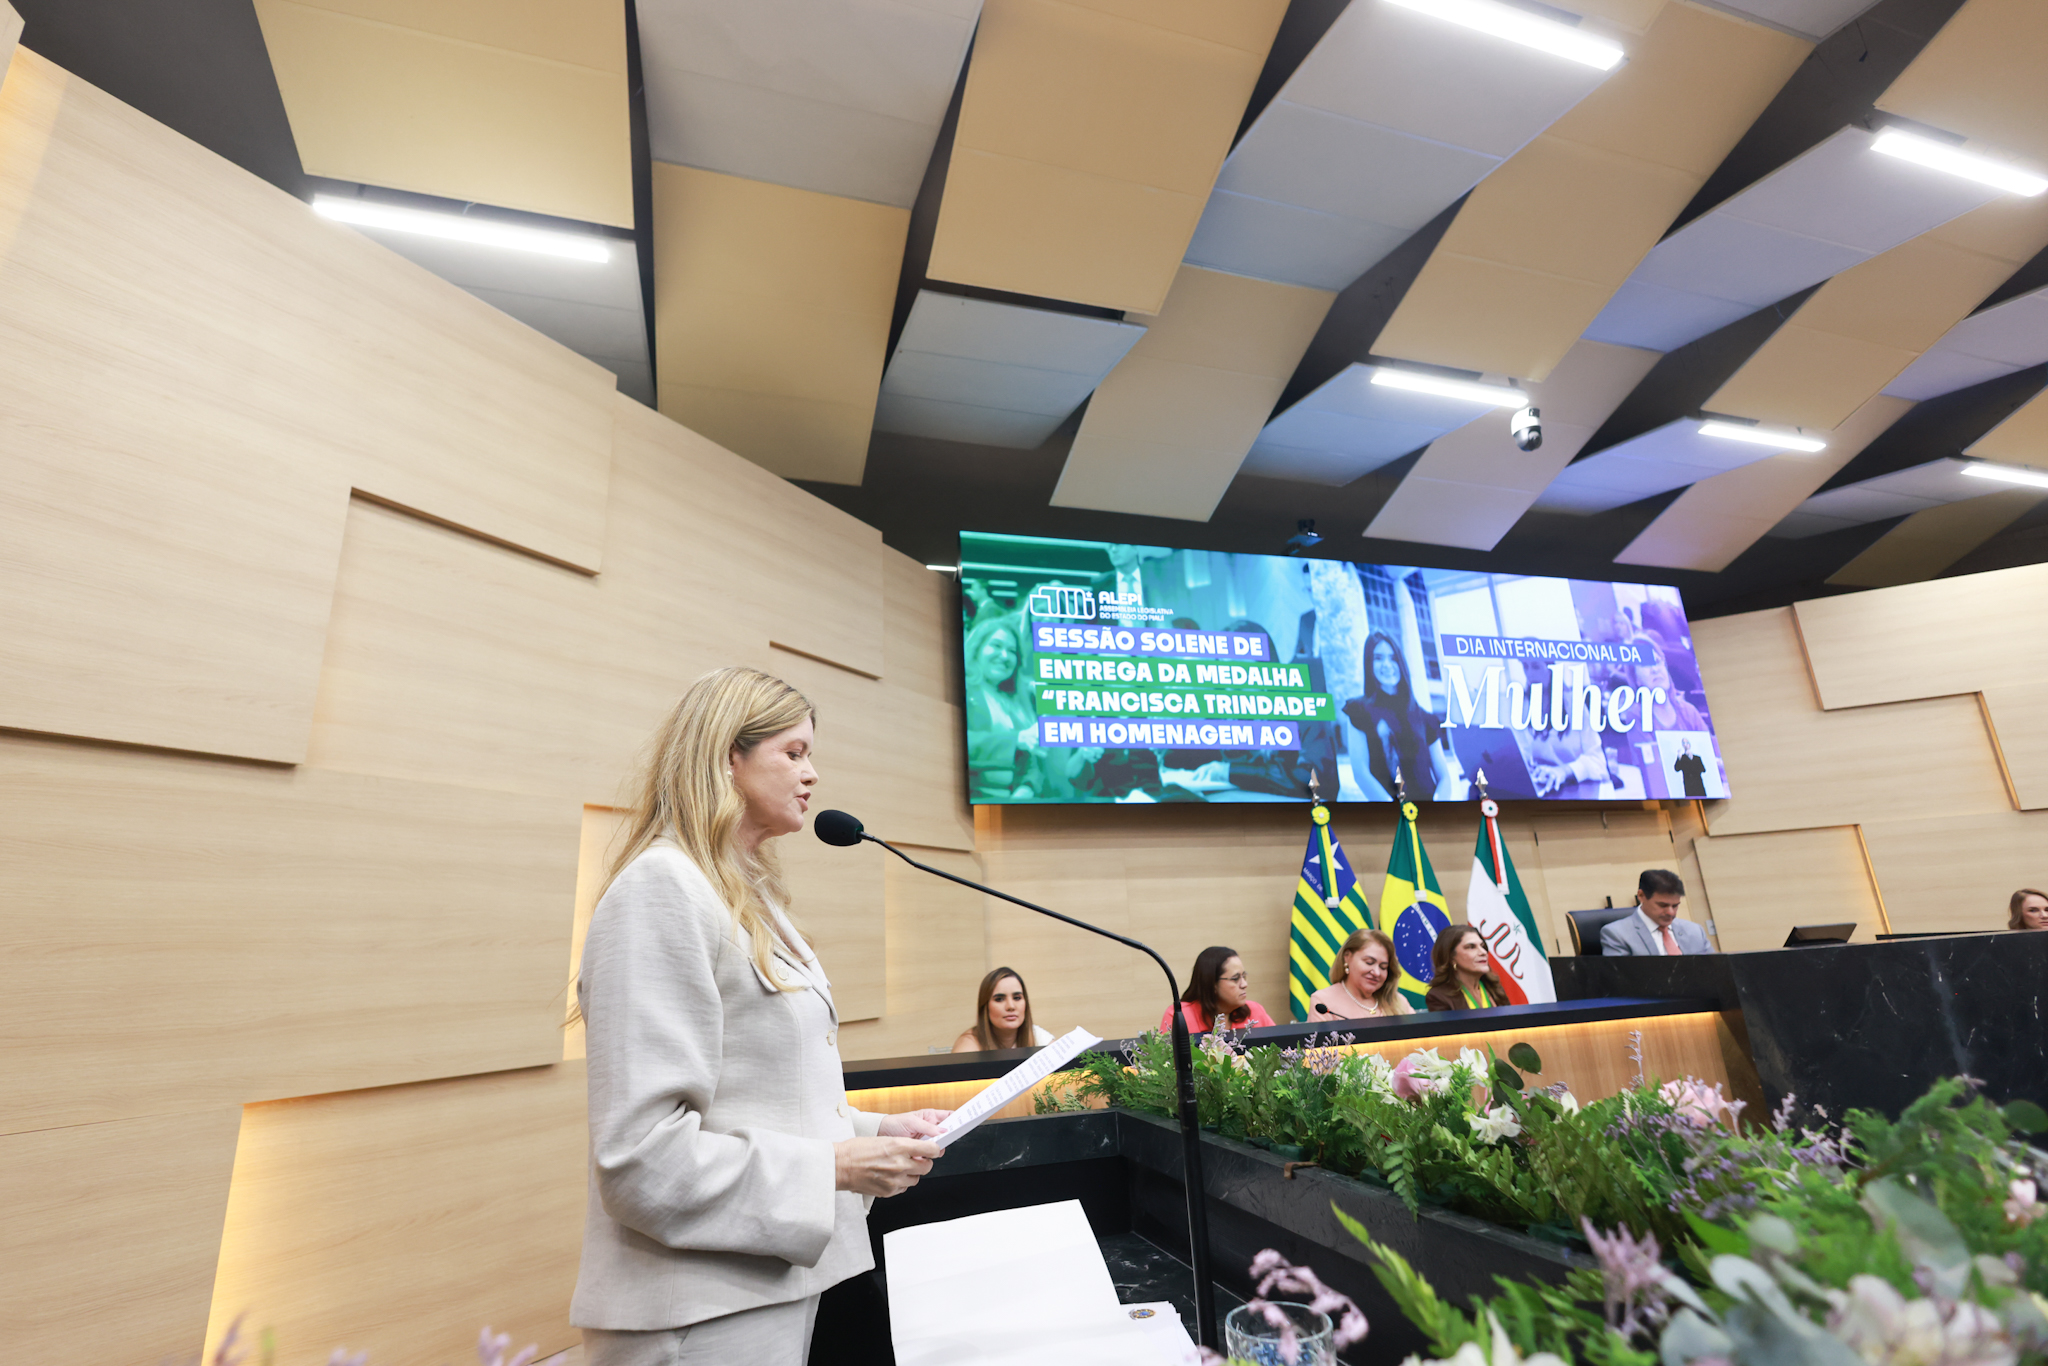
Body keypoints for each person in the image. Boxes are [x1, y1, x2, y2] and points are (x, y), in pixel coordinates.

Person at [572, 667, 949, 1366]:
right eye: (794, 752)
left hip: (775, 1288)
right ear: (728, 757)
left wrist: (875, 1130)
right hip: (696, 1313)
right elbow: (641, 1158)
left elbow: (763, 1097)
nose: (813, 775)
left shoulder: (741, 893)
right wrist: (837, 1166)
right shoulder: (662, 890)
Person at [1343, 631, 1446, 800]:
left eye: (1393, 658)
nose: (1387, 664)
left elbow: (1443, 776)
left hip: (1430, 816)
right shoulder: (1357, 710)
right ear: (1368, 663)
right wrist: (1398, 815)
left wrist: (1438, 806)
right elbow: (1361, 774)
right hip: (1392, 818)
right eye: (1378, 658)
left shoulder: (1425, 717)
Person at [1600, 868, 1716, 955]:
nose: (1670, 912)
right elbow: (1622, 981)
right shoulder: (1617, 934)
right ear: (1641, 896)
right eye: (1663, 905)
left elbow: (1715, 971)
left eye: (1675, 906)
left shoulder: (1694, 931)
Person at [1162, 945, 1277, 1032]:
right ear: (1212, 984)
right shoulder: (1179, 1016)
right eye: (1235, 978)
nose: (1244, 984)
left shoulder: (1255, 1011)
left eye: (1244, 976)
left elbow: (1280, 1051)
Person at [1307, 928, 1412, 1020]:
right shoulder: (1323, 1002)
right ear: (1347, 957)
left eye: (1383, 967)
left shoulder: (1399, 1002)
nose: (1376, 972)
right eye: (1369, 962)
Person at [951, 966, 1054, 1051]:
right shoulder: (968, 1046)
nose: (1011, 1006)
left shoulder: (1037, 1036)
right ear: (985, 1007)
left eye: (1017, 998)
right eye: (999, 999)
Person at [1423, 924, 1509, 1012]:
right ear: (1451, 957)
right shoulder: (1439, 997)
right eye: (1471, 947)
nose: (1483, 952)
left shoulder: (1494, 988)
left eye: (1482, 946)